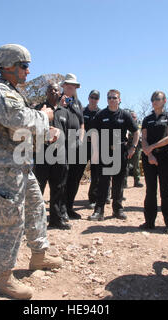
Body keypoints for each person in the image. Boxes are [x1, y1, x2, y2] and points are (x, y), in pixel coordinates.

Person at [0, 44, 62, 300]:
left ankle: (39, 256)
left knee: (35, 206)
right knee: (10, 220)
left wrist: (44, 133)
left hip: (19, 163)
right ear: (8, 66)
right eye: (24, 66)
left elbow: (18, 128)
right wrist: (45, 115)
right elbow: (19, 120)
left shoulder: (10, 91)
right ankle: (4, 277)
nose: (28, 70)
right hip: (5, 166)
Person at [88, 89, 139, 221]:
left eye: (114, 98)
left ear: (119, 100)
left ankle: (118, 209)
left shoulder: (125, 115)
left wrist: (132, 148)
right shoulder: (101, 114)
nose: (112, 100)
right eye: (109, 97)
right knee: (103, 182)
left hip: (120, 151)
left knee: (118, 182)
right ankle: (99, 211)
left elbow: (136, 132)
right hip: (104, 151)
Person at [34, 83, 71, 230]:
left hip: (60, 156)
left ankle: (56, 219)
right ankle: (34, 221)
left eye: (56, 90)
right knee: (38, 189)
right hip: (42, 154)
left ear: (60, 93)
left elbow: (68, 134)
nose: (53, 92)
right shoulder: (39, 109)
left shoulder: (64, 112)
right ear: (46, 93)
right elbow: (33, 129)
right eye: (50, 90)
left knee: (59, 188)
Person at [140, 91, 168, 234]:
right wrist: (149, 154)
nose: (154, 101)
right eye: (152, 99)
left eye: (157, 99)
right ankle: (149, 221)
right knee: (150, 190)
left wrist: (152, 147)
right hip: (149, 158)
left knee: (166, 191)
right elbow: (144, 138)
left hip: (165, 157)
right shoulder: (147, 119)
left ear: (164, 100)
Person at [60, 74, 85, 220]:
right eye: (68, 84)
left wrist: (81, 139)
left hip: (76, 145)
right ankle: (60, 210)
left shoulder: (78, 103)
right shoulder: (58, 100)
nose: (71, 87)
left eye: (73, 85)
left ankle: (69, 208)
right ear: (63, 85)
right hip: (62, 145)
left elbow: (82, 123)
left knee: (74, 179)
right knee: (62, 178)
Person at [79, 90, 101, 209]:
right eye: (92, 97)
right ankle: (68, 199)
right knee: (77, 173)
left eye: (96, 98)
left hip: (95, 147)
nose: (94, 99)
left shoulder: (101, 113)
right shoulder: (82, 111)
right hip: (82, 147)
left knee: (96, 174)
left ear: (98, 99)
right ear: (88, 98)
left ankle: (93, 199)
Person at [125, 111, 143, 188]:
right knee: (125, 165)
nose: (133, 118)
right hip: (127, 146)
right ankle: (124, 182)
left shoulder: (139, 125)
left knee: (136, 165)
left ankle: (137, 181)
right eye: (131, 117)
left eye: (134, 117)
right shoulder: (126, 125)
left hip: (137, 147)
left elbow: (141, 135)